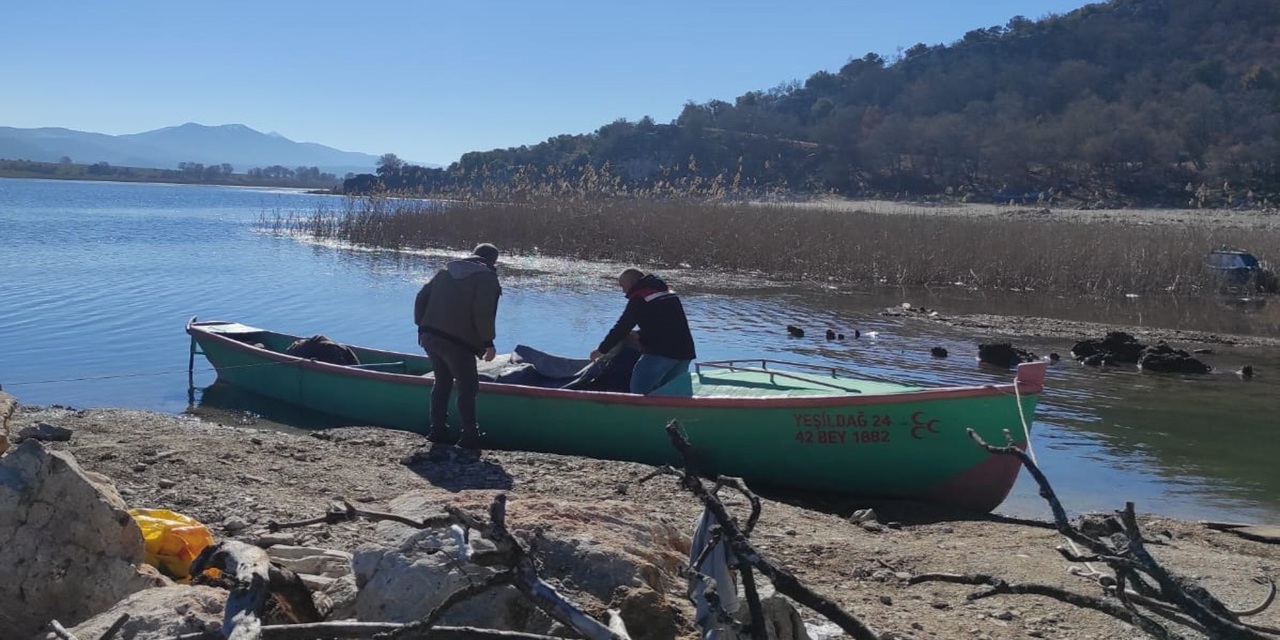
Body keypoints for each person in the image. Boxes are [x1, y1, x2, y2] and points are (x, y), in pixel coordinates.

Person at [413, 243, 502, 449]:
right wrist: (488, 342)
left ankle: (437, 432)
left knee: (442, 382)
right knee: (468, 386)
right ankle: (469, 437)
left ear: (473, 255)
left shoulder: (445, 271)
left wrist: (421, 326)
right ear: (493, 261)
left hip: (430, 336)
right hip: (457, 342)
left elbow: (421, 298)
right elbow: (482, 312)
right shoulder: (486, 277)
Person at [591, 268, 696, 394]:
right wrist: (640, 334)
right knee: (672, 394)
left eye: (622, 286)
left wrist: (601, 350)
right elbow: (669, 326)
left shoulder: (640, 298)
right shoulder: (668, 293)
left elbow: (621, 327)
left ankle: (637, 413)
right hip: (685, 352)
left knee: (639, 392)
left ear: (631, 283)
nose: (623, 290)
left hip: (661, 353)